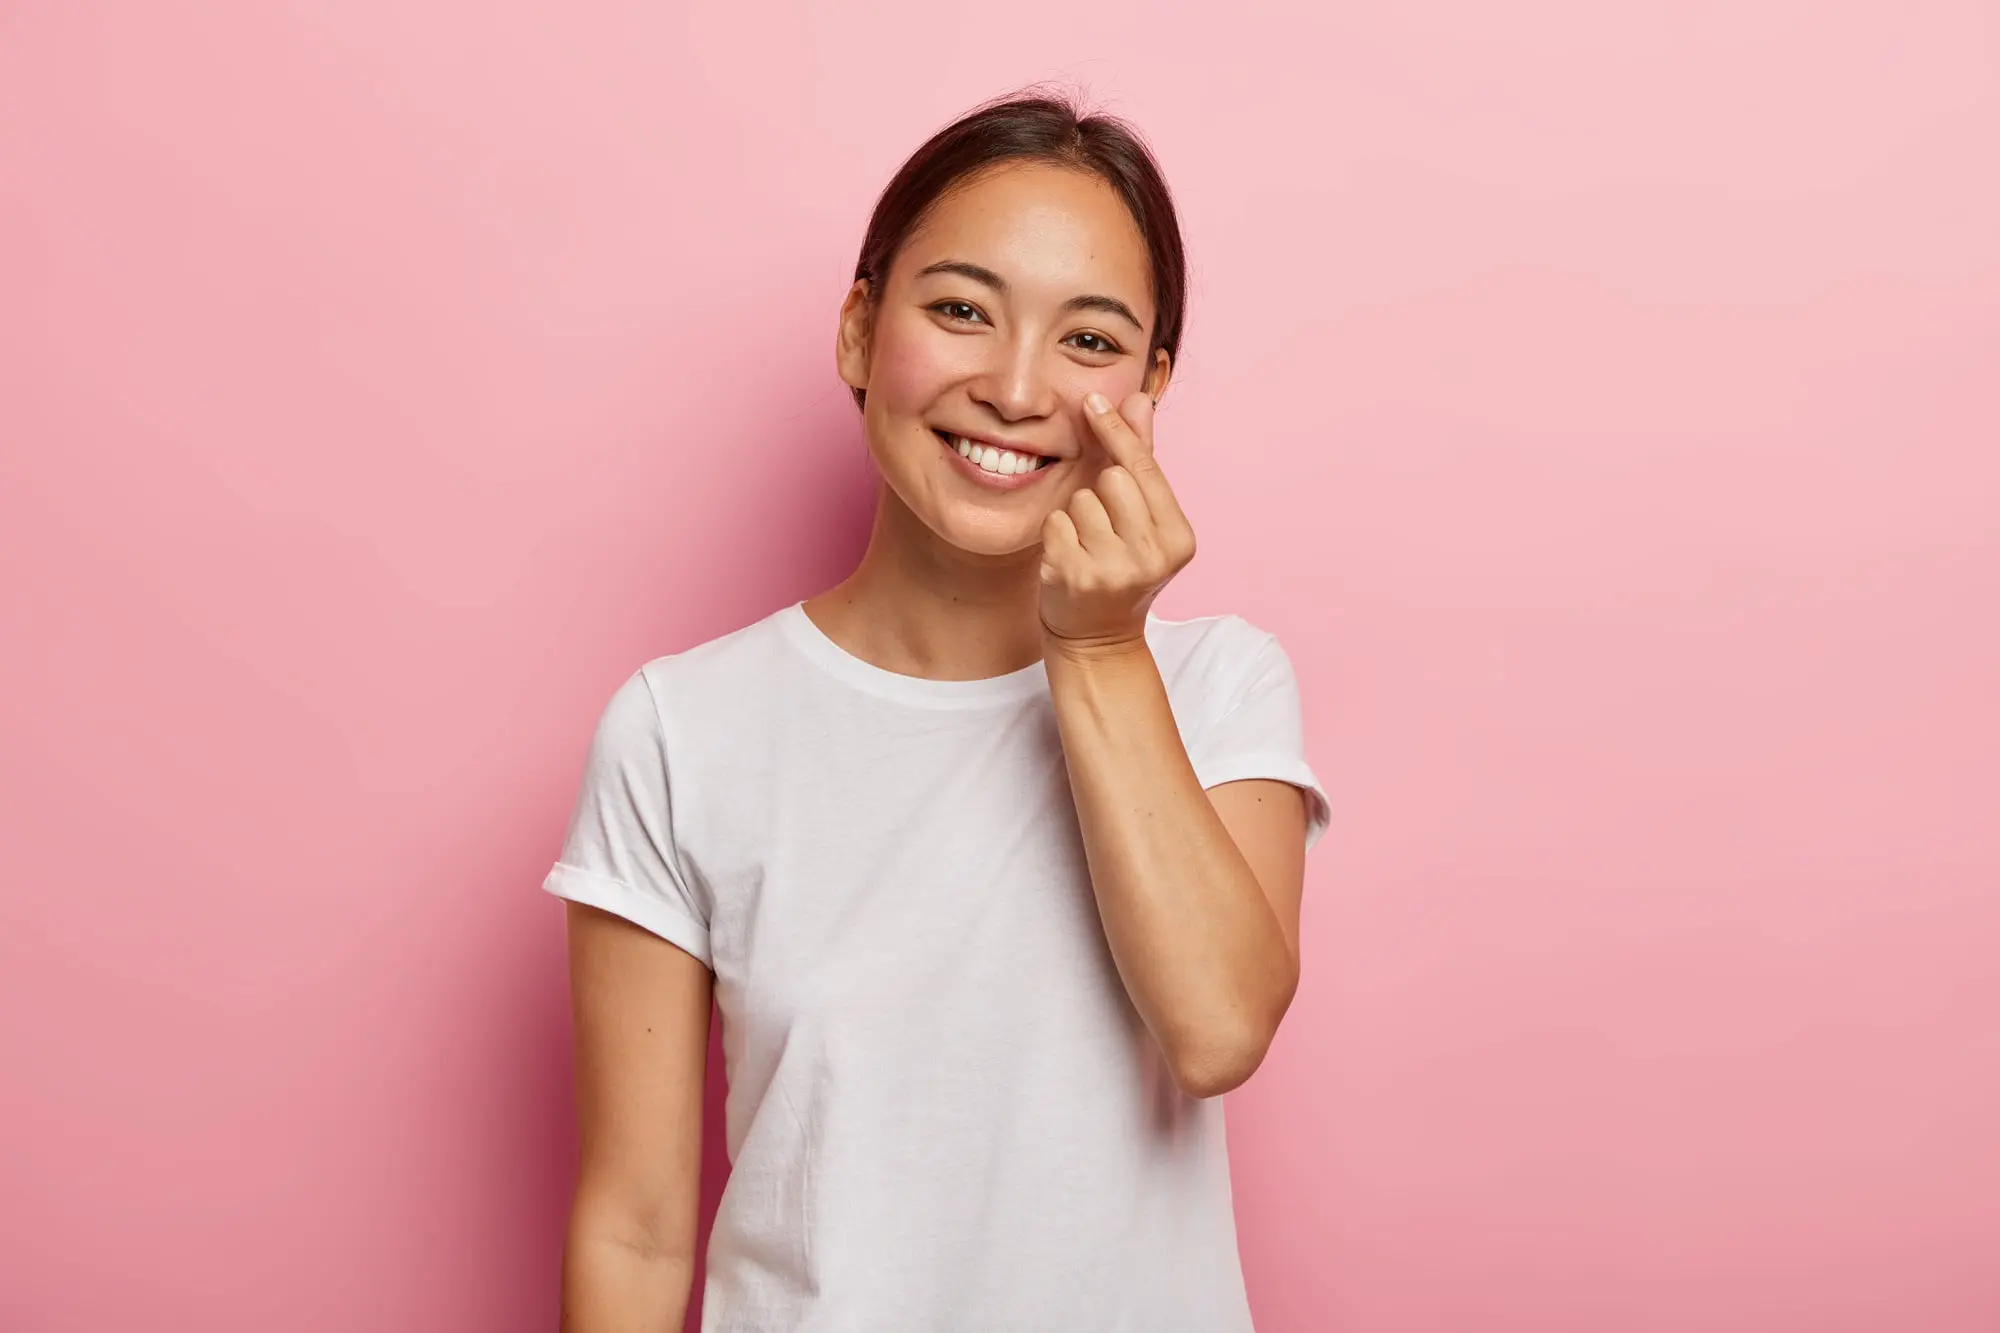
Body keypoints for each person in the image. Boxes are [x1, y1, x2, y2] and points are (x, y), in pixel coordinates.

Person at [543, 90, 1331, 1333]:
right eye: (960, 310)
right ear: (859, 331)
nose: (1015, 390)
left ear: (1149, 388)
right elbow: (635, 1228)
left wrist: (1099, 645)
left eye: (1087, 342)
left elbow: (1218, 1026)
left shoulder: (1215, 686)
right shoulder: (680, 731)